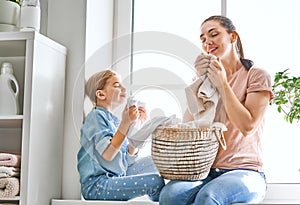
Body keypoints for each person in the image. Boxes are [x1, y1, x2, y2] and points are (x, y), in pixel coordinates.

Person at [159, 15, 273, 205]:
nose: (207, 42)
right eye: (203, 39)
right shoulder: (207, 83)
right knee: (170, 195)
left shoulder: (256, 75)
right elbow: (189, 126)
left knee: (208, 196)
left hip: (245, 171)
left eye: (213, 34)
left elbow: (248, 126)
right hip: (205, 170)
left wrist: (222, 84)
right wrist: (198, 81)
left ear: (233, 37)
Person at [77, 69, 165, 201]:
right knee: (154, 182)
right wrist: (125, 123)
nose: (123, 88)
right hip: (97, 185)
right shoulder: (96, 116)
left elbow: (127, 161)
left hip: (117, 176)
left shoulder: (114, 121)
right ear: (101, 94)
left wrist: (137, 125)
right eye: (117, 85)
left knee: (159, 159)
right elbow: (108, 154)